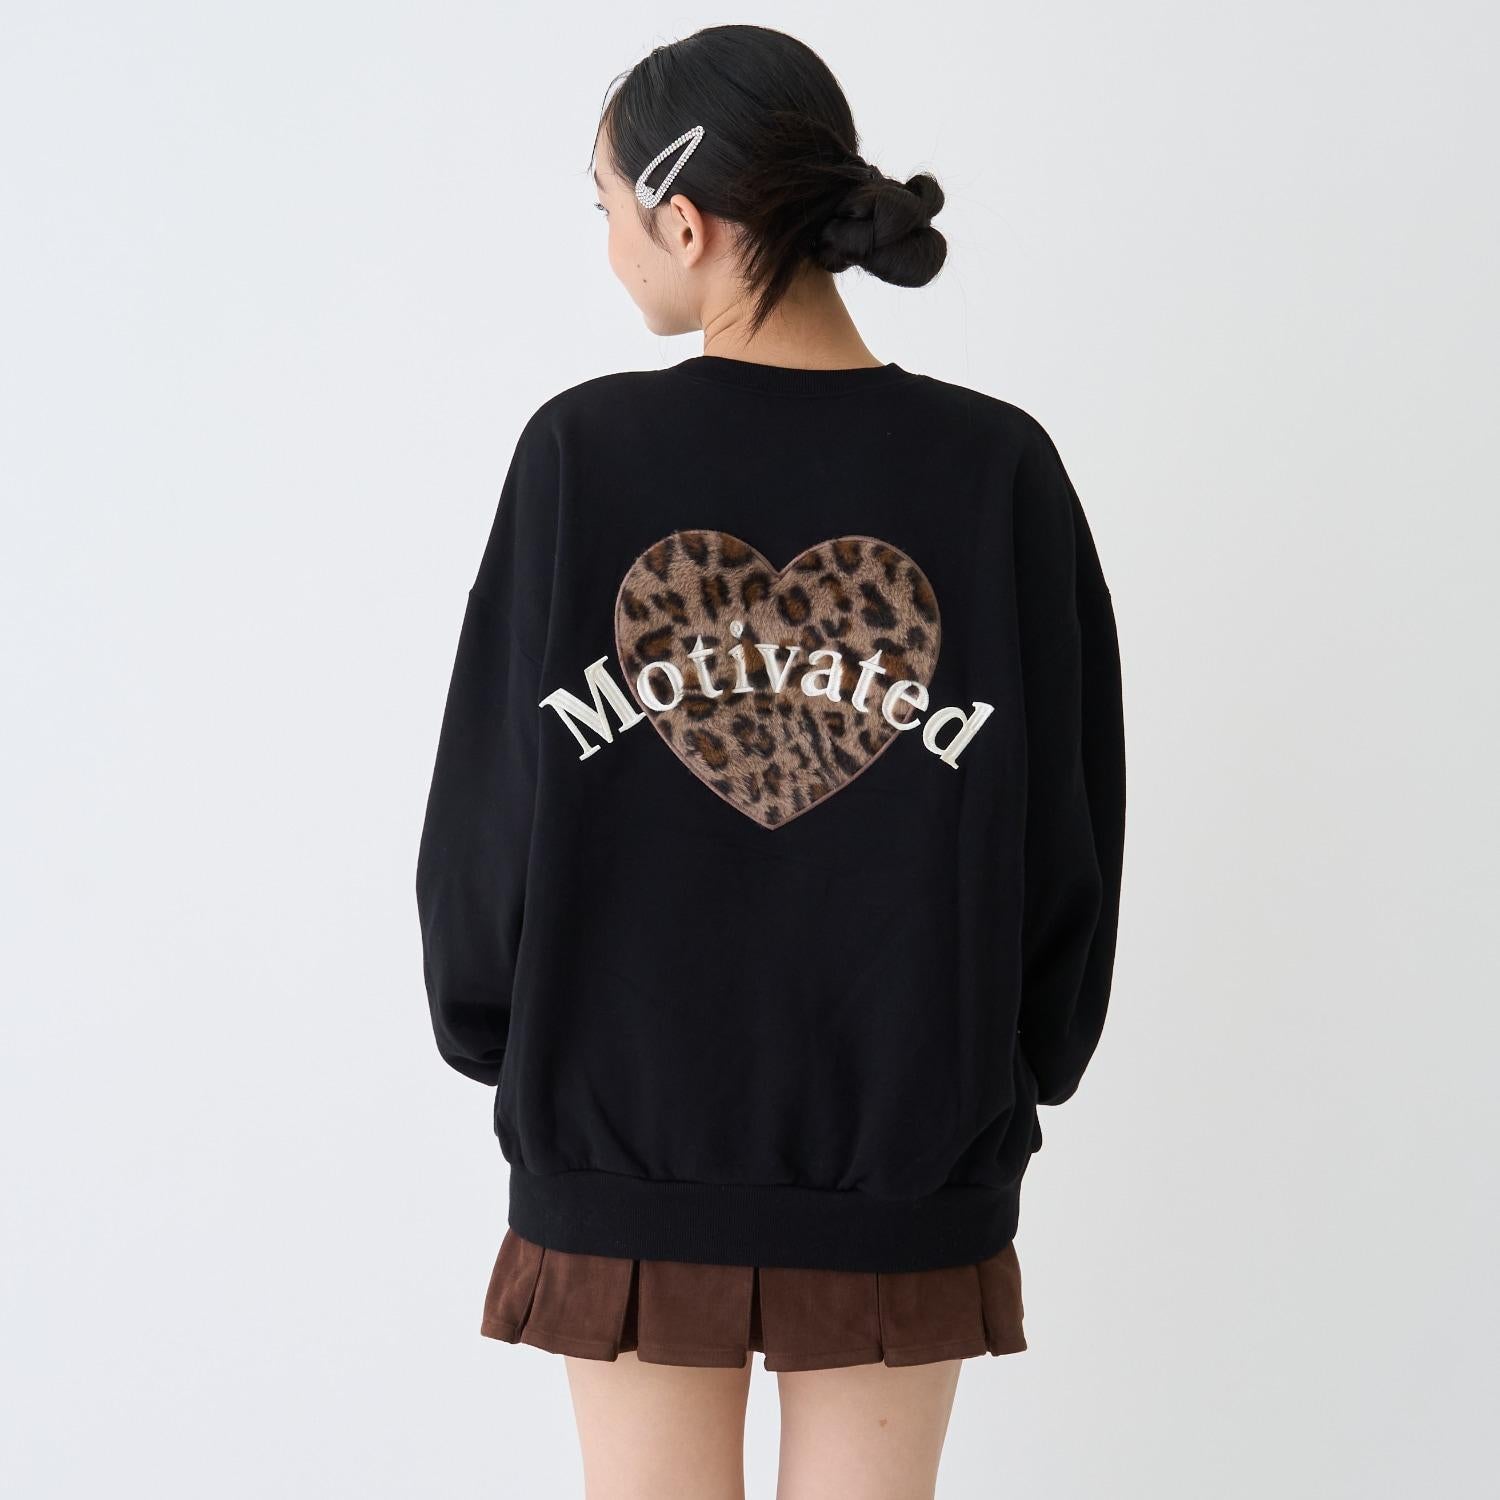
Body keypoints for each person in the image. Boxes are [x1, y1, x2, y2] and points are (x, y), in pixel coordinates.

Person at [415, 23, 1126, 1500]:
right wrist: (1017, 1060)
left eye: (605, 205)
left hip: (622, 1127)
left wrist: (498, 1026)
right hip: (909, 1131)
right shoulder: (995, 467)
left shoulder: (581, 454)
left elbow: (490, 803)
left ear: (684, 219)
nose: (609, 244)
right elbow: (1070, 823)